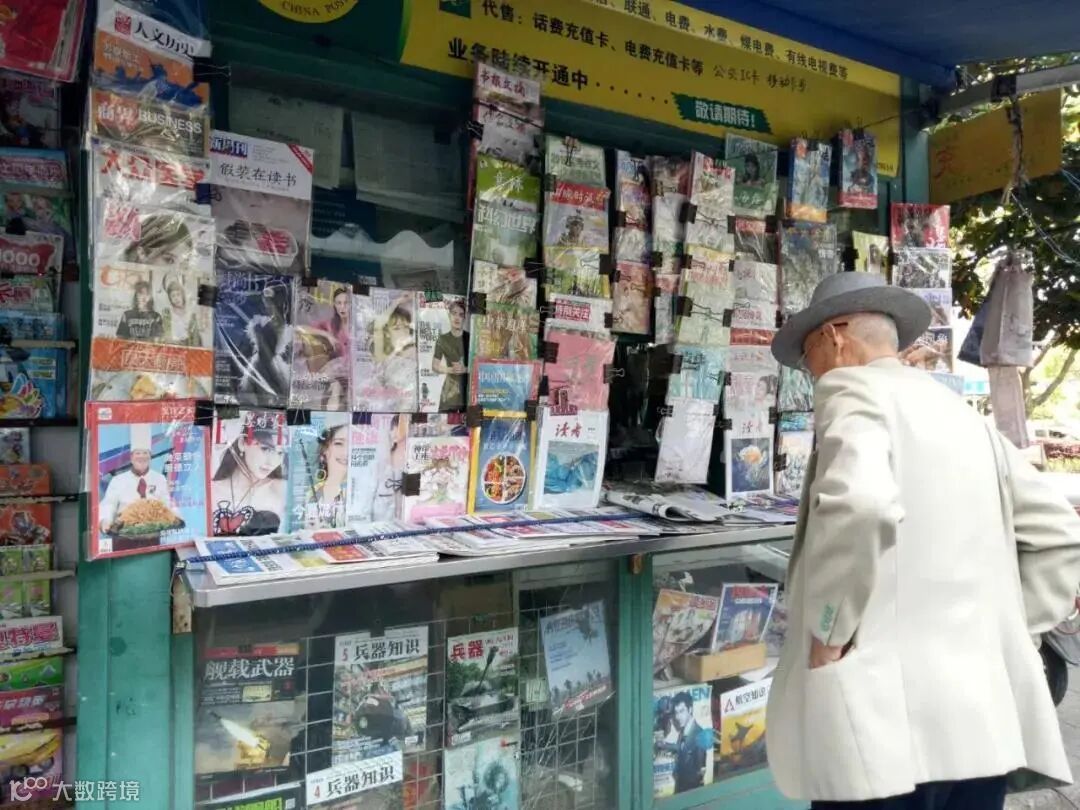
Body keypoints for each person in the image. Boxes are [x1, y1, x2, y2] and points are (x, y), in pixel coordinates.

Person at [765, 272, 1080, 809]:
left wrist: (829, 631)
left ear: (834, 337)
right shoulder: (961, 413)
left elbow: (862, 504)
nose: (809, 370)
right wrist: (1007, 624)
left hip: (884, 727)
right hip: (980, 723)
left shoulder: (852, 388)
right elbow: (1060, 531)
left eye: (806, 355)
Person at [210, 413, 287, 535]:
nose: (272, 462)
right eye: (266, 449)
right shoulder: (211, 490)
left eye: (280, 453)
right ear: (242, 443)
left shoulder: (281, 490)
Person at [98, 425, 173, 534]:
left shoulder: (160, 479)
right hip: (124, 533)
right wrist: (105, 520)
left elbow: (166, 503)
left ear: (150, 457)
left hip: (153, 533)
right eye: (138, 453)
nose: (141, 457)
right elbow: (109, 504)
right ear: (131, 457)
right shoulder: (118, 480)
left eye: (145, 453)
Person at [659, 691, 707, 793]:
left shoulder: (699, 735)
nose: (677, 717)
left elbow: (700, 771)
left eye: (681, 711)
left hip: (690, 791)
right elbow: (683, 748)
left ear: (690, 710)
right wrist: (666, 746)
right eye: (676, 712)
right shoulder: (684, 731)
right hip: (680, 788)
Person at [433, 299, 467, 410]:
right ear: (449, 315)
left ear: (465, 318)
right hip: (449, 393)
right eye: (454, 313)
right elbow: (435, 366)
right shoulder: (442, 339)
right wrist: (450, 369)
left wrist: (465, 369)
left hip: (467, 391)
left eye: (461, 315)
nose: (457, 318)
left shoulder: (470, 338)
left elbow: (479, 365)